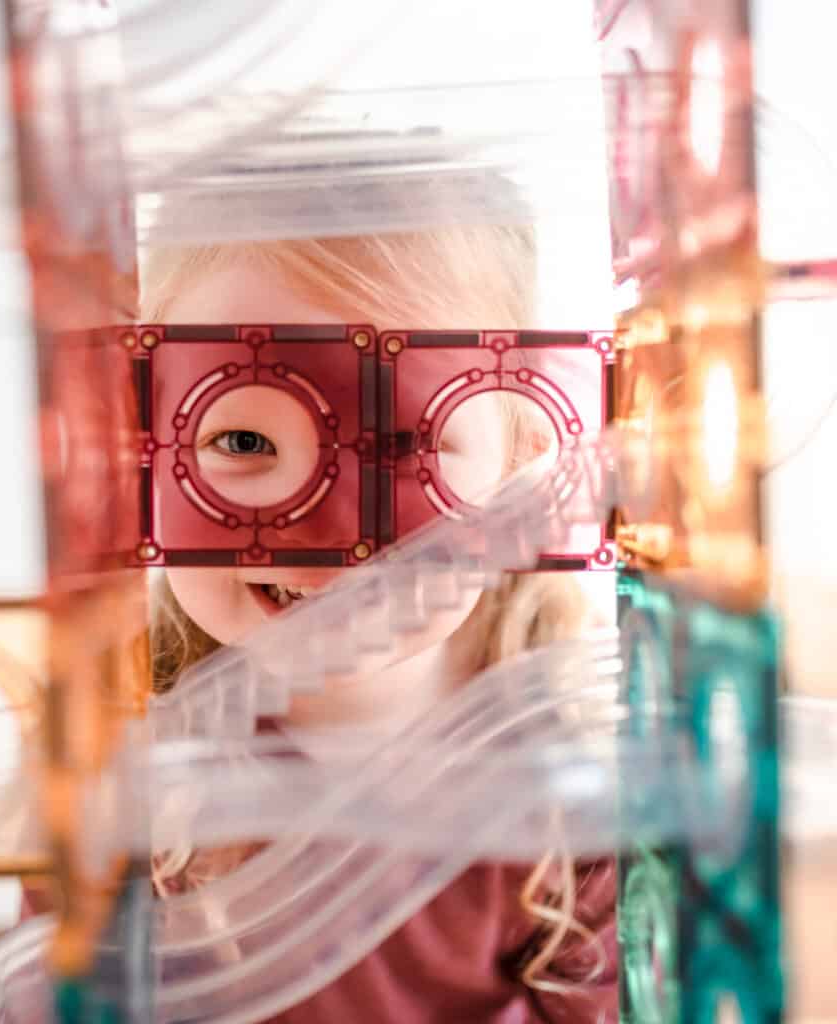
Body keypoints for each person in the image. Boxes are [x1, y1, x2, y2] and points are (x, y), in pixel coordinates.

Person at [140, 221, 619, 1023]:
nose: (318, 528)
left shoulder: (574, 767)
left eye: (400, 446)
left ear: (519, 467)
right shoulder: (118, 751)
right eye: (243, 439)